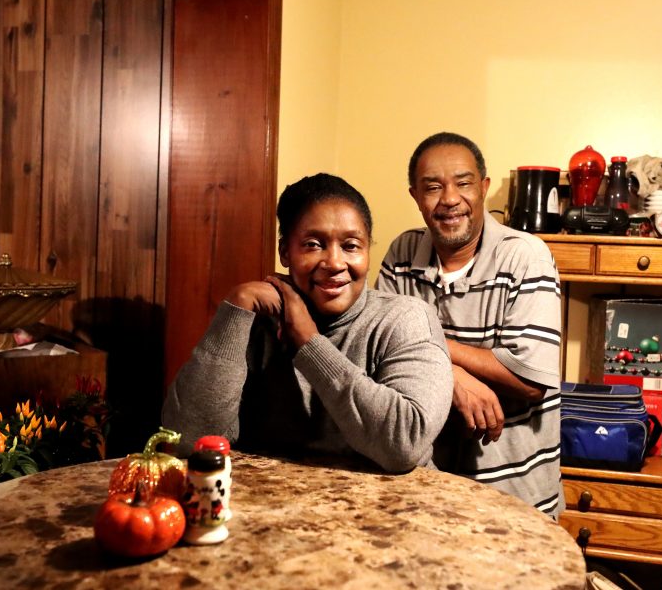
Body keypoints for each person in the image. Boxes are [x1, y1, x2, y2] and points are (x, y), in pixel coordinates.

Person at [162, 173, 453, 472]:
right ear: (285, 252)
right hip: (277, 506)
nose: (335, 263)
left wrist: (309, 342)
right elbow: (187, 441)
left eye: (351, 246)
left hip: (394, 510)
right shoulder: (257, 323)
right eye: (314, 245)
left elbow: (404, 444)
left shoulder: (404, 320)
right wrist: (237, 305)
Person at [376, 132, 563, 516]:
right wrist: (456, 378)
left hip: (516, 503)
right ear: (415, 196)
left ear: (483, 188)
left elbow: (530, 382)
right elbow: (377, 354)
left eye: (463, 184)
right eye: (432, 187)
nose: (449, 199)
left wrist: (432, 353)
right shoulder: (401, 254)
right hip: (425, 492)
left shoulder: (526, 257)